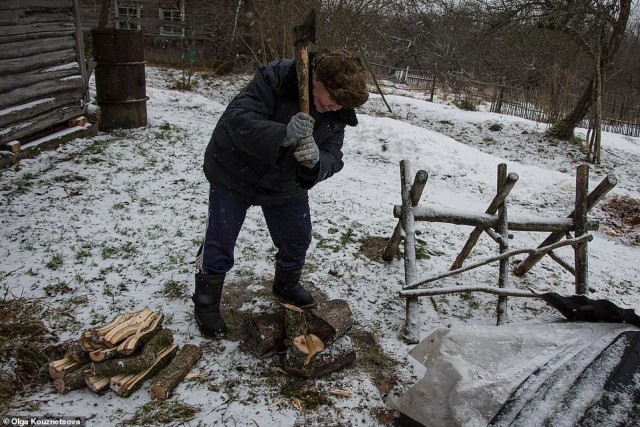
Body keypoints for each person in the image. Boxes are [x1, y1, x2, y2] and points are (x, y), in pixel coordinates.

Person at [193, 49, 369, 338]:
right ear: (315, 79)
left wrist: (316, 161)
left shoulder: (338, 111)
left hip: (285, 181)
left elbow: (333, 156)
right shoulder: (277, 77)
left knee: (297, 237)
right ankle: (206, 302)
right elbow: (237, 119)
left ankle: (285, 284)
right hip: (234, 170)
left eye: (343, 104)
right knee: (220, 240)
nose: (337, 107)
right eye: (333, 98)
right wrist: (282, 133)